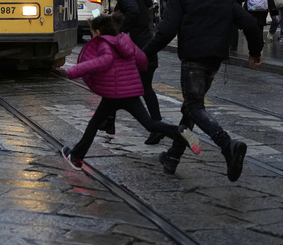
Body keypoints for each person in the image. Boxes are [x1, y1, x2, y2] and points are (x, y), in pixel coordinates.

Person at [143, 0, 264, 182]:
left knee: (195, 107)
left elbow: (165, 32)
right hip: (215, 60)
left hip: (193, 58)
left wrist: (143, 53)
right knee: (189, 110)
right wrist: (255, 51)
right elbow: (249, 23)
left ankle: (227, 144)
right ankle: (173, 156)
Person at [59, 10, 202, 171]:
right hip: (131, 91)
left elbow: (102, 62)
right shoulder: (124, 40)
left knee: (93, 125)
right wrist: (136, 71)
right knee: (149, 123)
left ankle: (77, 156)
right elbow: (141, 59)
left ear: (98, 32)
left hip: (113, 93)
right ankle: (180, 132)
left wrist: (73, 71)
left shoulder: (104, 44)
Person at [111, 0, 165, 144]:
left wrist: (121, 30)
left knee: (120, 85)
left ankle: (155, 127)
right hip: (147, 46)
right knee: (145, 88)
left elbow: (131, 12)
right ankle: (156, 125)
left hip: (134, 48)